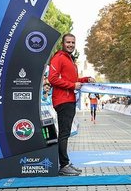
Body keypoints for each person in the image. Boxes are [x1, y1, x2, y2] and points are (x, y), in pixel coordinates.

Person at [48, 34, 95, 176]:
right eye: (68, 42)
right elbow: (52, 79)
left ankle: (66, 163)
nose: (70, 45)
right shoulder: (59, 57)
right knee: (63, 134)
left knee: (65, 133)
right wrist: (72, 85)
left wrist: (86, 79)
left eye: (73, 42)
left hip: (69, 100)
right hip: (63, 101)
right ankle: (64, 165)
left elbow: (74, 80)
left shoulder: (70, 59)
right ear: (63, 43)